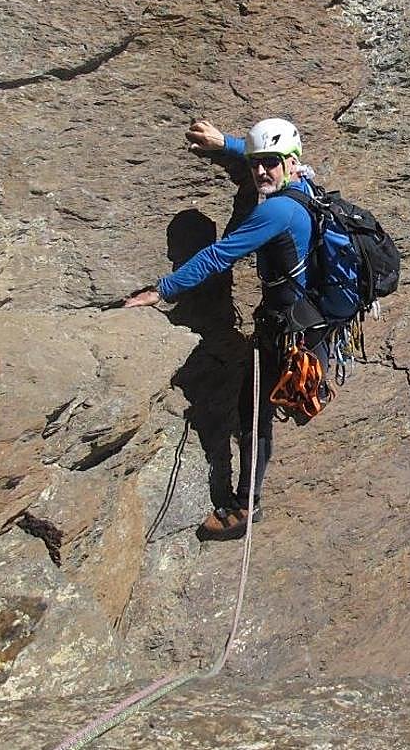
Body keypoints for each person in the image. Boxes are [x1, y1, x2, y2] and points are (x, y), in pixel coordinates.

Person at [124, 117, 330, 540]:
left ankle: (245, 504)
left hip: (285, 331)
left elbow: (219, 257)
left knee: (251, 413)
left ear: (290, 162)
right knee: (258, 407)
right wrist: (228, 145)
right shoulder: (306, 187)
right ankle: (310, 389)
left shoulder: (276, 210)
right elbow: (262, 161)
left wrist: (162, 290)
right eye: (256, 163)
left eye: (269, 164)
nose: (259, 172)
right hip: (310, 324)